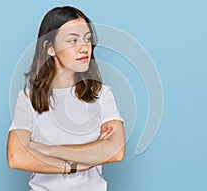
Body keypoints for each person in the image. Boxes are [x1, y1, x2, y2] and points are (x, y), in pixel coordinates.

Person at [7, 6, 125, 191]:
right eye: (72, 40)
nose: (84, 47)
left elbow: (116, 151)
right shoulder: (28, 98)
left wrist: (44, 149)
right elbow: (16, 157)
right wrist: (76, 164)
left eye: (87, 39)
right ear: (50, 48)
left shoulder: (102, 95)